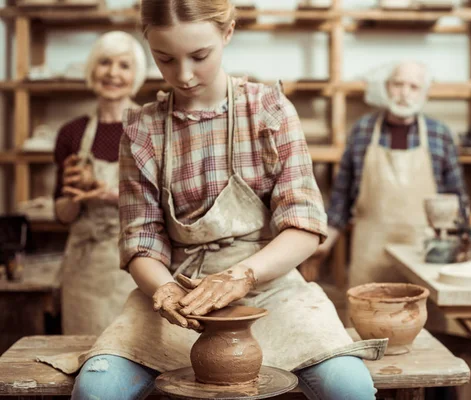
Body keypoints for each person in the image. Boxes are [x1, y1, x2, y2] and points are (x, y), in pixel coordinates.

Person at [38, 2, 386, 399]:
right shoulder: (142, 129)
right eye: (165, 58)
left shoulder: (269, 111)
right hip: (180, 294)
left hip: (272, 289)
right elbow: (141, 241)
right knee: (96, 387)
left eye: (199, 56)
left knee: (350, 386)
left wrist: (241, 276)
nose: (183, 76)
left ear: (228, 33)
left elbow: (304, 226)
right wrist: (164, 290)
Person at [302, 61, 469, 287]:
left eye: (413, 87)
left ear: (425, 93)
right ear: (386, 87)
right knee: (367, 316)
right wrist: (323, 244)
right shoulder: (362, 131)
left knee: (425, 318)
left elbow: (456, 197)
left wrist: (467, 242)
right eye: (397, 84)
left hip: (425, 252)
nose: (404, 93)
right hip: (371, 250)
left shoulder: (439, 134)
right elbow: (341, 197)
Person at [53, 31, 146, 335]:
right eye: (105, 63)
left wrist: (110, 194)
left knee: (135, 353)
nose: (112, 73)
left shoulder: (149, 127)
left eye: (123, 65)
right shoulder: (72, 133)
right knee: (83, 355)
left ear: (136, 75)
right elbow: (62, 214)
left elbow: (169, 205)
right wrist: (73, 197)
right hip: (84, 268)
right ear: (92, 69)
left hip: (137, 263)